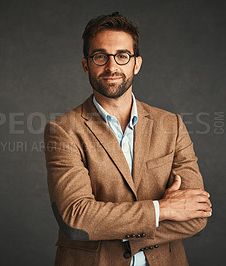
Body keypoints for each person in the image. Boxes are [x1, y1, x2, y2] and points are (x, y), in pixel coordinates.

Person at [44, 12, 212, 266]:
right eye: (100, 56)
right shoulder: (63, 131)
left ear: (137, 64)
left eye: (122, 56)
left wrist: (108, 227)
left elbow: (196, 215)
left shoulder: (171, 125)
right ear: (86, 64)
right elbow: (76, 220)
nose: (112, 67)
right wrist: (162, 209)